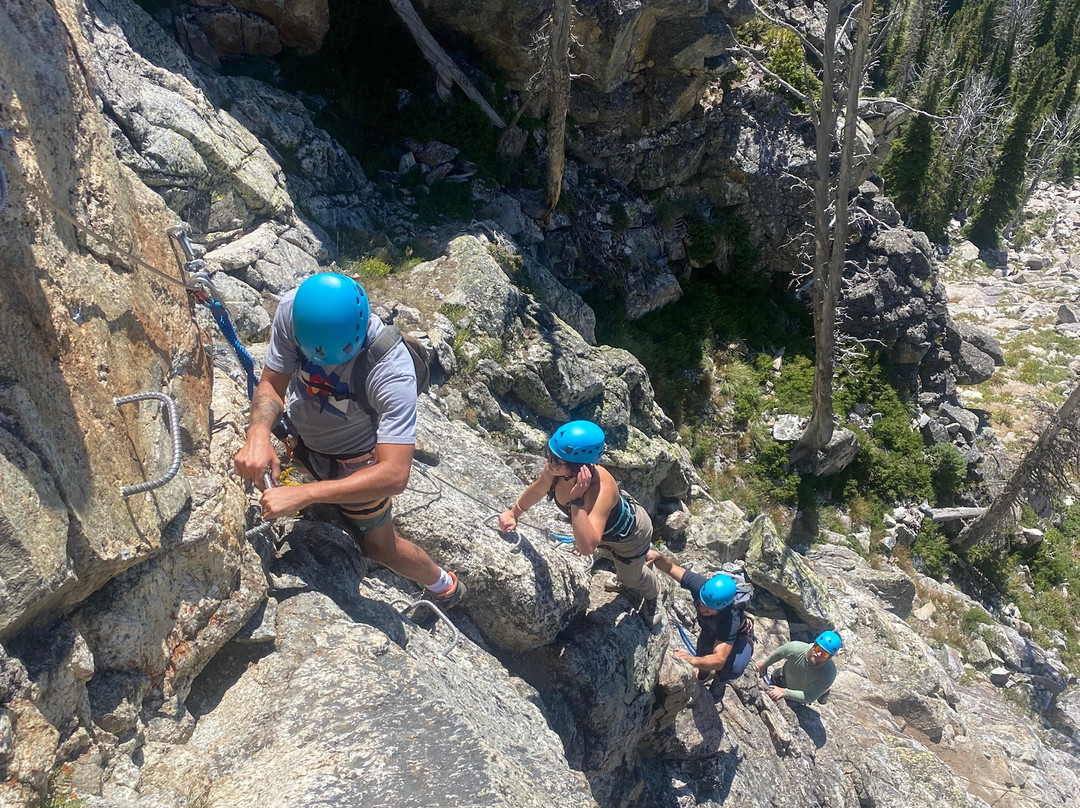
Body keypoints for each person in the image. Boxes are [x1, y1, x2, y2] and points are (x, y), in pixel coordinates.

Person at [234, 272, 464, 608]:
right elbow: (272, 383)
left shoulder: (391, 370)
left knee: (378, 548)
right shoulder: (293, 311)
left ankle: (445, 585)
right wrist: (257, 435)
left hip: (356, 460)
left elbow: (394, 475)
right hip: (304, 435)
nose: (324, 363)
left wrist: (303, 495)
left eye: (335, 356)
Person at [498, 420, 662, 628]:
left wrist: (576, 500)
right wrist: (514, 513)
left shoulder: (601, 488)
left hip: (630, 536)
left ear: (580, 466)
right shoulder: (557, 469)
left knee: (630, 578)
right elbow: (540, 488)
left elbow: (587, 547)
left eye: (557, 460)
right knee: (609, 556)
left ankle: (653, 589)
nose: (550, 463)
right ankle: (626, 567)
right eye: (550, 454)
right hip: (605, 531)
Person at [646, 551, 754, 684]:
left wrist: (692, 660)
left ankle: (719, 683)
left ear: (722, 607)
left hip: (738, 637)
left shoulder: (730, 620)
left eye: (709, 607)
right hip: (710, 629)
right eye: (702, 602)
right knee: (702, 650)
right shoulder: (702, 587)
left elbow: (719, 659)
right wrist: (658, 557)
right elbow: (672, 568)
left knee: (731, 668)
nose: (703, 608)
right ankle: (704, 675)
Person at [757, 630, 841, 705]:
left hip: (801, 693)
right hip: (783, 678)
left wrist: (784, 692)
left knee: (818, 690)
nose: (819, 655)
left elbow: (810, 696)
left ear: (829, 657)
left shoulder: (829, 673)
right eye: (819, 649)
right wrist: (763, 665)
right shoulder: (796, 648)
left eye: (824, 654)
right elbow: (779, 653)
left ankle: (823, 692)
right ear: (814, 645)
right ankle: (823, 691)